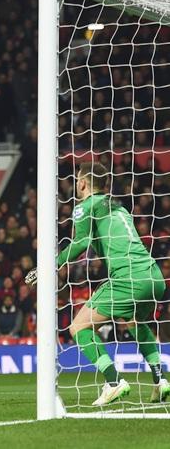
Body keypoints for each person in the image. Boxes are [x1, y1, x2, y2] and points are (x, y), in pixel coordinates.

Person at [26, 162, 168, 406]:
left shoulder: (84, 208)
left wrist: (50, 265)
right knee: (134, 321)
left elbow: (81, 243)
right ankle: (160, 380)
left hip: (128, 278)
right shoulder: (119, 207)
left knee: (78, 327)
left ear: (82, 183)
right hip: (154, 276)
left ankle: (114, 382)